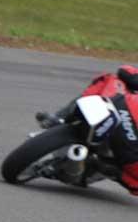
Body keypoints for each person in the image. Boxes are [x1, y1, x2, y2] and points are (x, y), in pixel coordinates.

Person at [35, 65, 138, 194]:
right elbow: (127, 71)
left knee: (111, 81)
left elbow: (126, 70)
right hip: (126, 141)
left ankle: (97, 165)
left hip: (122, 119)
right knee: (112, 80)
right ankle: (62, 118)